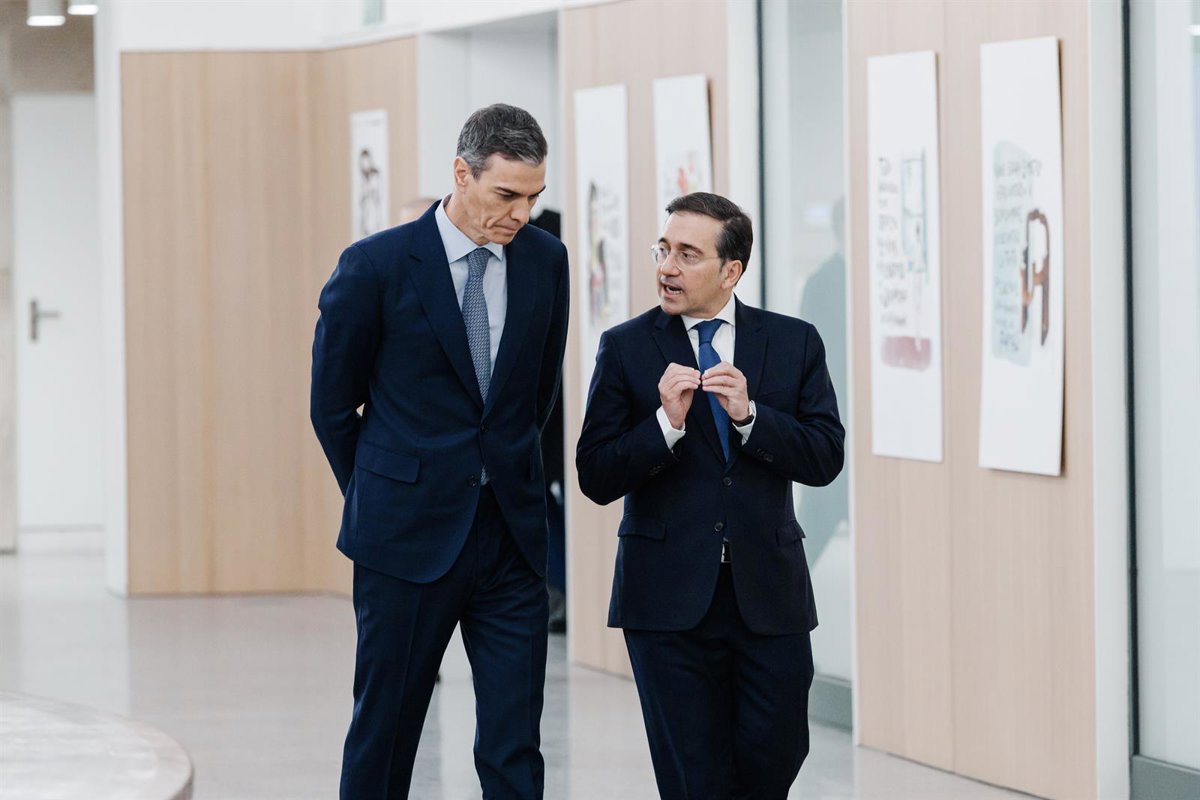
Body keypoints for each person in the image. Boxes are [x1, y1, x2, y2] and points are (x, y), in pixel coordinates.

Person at [311, 103, 569, 799]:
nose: (521, 214)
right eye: (506, 195)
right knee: (387, 731)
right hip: (404, 538)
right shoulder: (376, 266)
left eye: (534, 197)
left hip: (511, 539)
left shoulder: (546, 260)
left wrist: (506, 472)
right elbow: (331, 406)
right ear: (461, 173)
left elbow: (536, 394)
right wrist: (383, 491)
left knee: (515, 743)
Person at [576, 192, 844, 799]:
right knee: (694, 778)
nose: (667, 267)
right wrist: (664, 425)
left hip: (768, 596)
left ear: (731, 270)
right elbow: (595, 474)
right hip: (666, 600)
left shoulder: (794, 341)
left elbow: (825, 457)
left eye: (687, 254)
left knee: (777, 751)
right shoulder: (626, 347)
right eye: (663, 250)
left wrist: (752, 418)